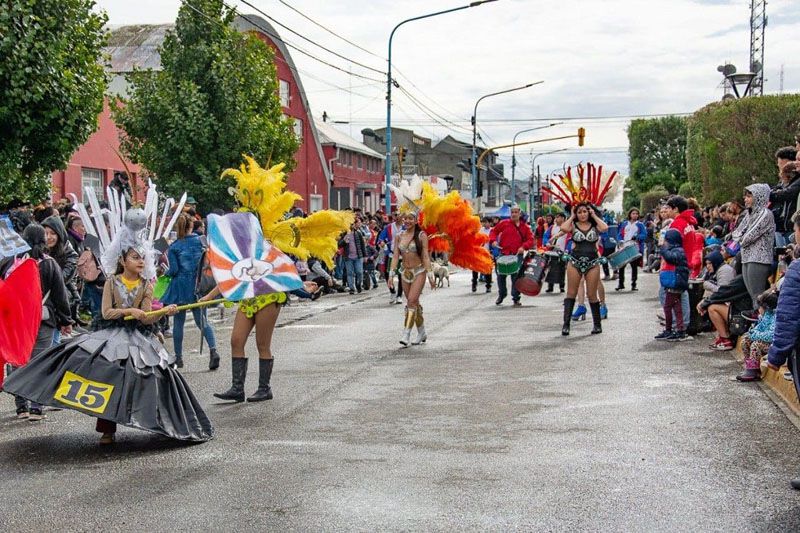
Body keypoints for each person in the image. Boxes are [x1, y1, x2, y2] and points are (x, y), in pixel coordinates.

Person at [3, 214, 215, 445]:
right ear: (123, 260)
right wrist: (129, 312)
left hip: (138, 338)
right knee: (106, 373)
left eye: (143, 258)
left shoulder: (146, 285)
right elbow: (106, 313)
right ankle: (106, 429)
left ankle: (155, 420)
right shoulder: (112, 283)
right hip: (111, 335)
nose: (140, 262)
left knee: (152, 375)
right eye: (135, 257)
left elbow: (146, 317)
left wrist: (163, 312)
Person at [4, 224, 73, 421]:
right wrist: (66, 320)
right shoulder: (49, 263)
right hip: (43, 319)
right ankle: (36, 407)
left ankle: (21, 407)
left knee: (18, 359)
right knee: (39, 361)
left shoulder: (11, 262)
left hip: (16, 319)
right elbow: (60, 295)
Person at [161, 214, 219, 370]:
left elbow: (173, 270)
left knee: (178, 323)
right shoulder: (201, 241)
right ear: (192, 226)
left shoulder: (174, 247)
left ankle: (179, 358)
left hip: (181, 287)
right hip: (200, 285)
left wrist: (164, 273)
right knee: (202, 321)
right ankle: (213, 350)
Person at [560, 203, 609, 335]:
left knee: (592, 294)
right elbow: (563, 228)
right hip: (575, 261)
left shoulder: (595, 225)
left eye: (585, 211)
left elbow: (605, 228)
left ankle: (597, 325)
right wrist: (571, 216)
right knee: (571, 293)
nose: (582, 214)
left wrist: (594, 214)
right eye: (579, 212)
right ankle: (566, 325)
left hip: (592, 262)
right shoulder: (573, 225)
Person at [388, 211, 435, 346]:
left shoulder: (421, 235)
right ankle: (421, 332)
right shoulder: (398, 236)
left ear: (416, 221)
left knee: (411, 301)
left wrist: (431, 274)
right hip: (404, 272)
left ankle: (406, 333)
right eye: (405, 218)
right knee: (413, 304)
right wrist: (391, 274)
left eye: (410, 218)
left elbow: (425, 256)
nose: (407, 221)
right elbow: (396, 256)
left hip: (419, 271)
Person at [732, 184, 775, 312]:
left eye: (749, 196)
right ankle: (757, 325)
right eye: (745, 196)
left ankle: (764, 325)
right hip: (746, 257)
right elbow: (736, 233)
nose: (745, 199)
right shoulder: (749, 214)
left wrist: (741, 239)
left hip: (759, 259)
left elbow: (747, 238)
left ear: (759, 197)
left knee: (759, 296)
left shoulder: (766, 214)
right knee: (753, 297)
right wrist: (740, 238)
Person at [41, 215, 80, 337]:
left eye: (52, 233)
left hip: (62, 306)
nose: (48, 237)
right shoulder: (40, 251)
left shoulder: (70, 255)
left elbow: (61, 280)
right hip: (44, 305)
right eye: (45, 233)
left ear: (59, 234)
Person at [489, 206, 534, 307]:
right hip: (503, 254)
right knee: (500, 276)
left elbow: (530, 240)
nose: (514, 214)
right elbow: (493, 232)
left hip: (517, 255)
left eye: (516, 212)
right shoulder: (504, 223)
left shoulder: (525, 227)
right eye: (512, 212)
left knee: (516, 277)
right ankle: (502, 294)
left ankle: (516, 298)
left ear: (519, 213)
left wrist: (524, 247)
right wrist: (493, 241)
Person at [655, 229, 690, 341]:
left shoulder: (678, 251)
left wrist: (663, 248)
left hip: (676, 283)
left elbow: (670, 258)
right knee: (676, 307)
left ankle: (671, 329)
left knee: (668, 307)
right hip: (674, 283)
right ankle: (678, 329)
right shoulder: (678, 249)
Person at [736, 288, 778, 382]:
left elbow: (771, 336)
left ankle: (752, 371)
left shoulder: (775, 317)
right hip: (765, 341)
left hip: (773, 344)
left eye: (760, 307)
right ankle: (751, 367)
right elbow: (758, 328)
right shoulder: (764, 316)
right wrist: (751, 333)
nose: (758, 310)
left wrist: (754, 335)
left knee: (756, 345)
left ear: (766, 307)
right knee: (745, 341)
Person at [770, 148, 800, 241]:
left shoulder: (796, 181)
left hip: (791, 228)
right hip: (782, 227)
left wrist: (766, 194)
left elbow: (786, 194)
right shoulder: (784, 182)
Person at [616, 207, 646, 291]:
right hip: (624, 247)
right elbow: (619, 234)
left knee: (634, 266)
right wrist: (620, 240)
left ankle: (634, 284)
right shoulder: (624, 224)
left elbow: (644, 235)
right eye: (633, 213)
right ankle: (621, 284)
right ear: (630, 214)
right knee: (621, 266)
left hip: (634, 247)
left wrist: (637, 237)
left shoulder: (640, 225)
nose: (635, 215)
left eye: (636, 214)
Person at [339, 219, 367, 294]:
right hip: (348, 257)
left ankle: (358, 284)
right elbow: (339, 245)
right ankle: (352, 288)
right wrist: (344, 241)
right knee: (350, 273)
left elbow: (362, 245)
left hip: (358, 256)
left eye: (352, 224)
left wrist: (365, 256)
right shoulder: (344, 234)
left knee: (359, 272)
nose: (351, 226)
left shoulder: (358, 233)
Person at [544, 212, 568, 293]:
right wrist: (547, 243)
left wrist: (567, 250)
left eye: (558, 217)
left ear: (563, 218)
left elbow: (570, 239)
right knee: (550, 269)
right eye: (556, 217)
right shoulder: (552, 227)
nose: (556, 219)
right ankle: (550, 286)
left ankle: (562, 286)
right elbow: (546, 236)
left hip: (562, 252)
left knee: (561, 270)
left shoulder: (567, 227)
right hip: (552, 251)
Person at [472, 218, 493, 293]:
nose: (484, 224)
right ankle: (474, 284)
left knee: (488, 269)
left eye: (486, 222)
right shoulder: (480, 230)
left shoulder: (492, 231)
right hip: (478, 252)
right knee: (475, 269)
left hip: (488, 253)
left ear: (490, 223)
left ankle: (488, 286)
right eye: (483, 222)